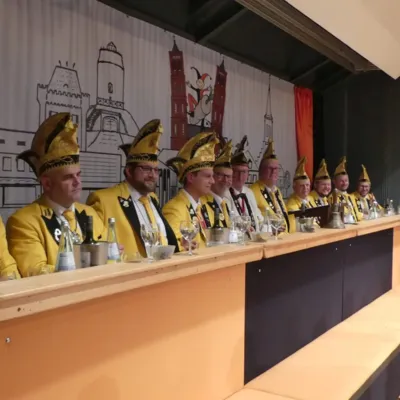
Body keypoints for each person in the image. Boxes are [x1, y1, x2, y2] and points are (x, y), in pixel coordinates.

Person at [7, 113, 105, 277]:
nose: (77, 182)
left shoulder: (90, 213)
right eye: (68, 177)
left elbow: (111, 257)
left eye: (78, 175)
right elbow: (34, 272)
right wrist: (89, 263)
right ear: (47, 183)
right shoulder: (23, 221)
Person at [87, 119, 179, 258]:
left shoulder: (153, 198)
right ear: (129, 171)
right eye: (146, 169)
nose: (152, 175)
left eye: (155, 170)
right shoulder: (102, 200)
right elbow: (94, 249)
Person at [163, 132, 217, 249]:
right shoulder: (174, 209)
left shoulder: (204, 205)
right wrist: (183, 246)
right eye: (207, 176)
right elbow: (174, 247)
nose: (212, 181)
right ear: (191, 177)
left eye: (212, 176)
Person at [250, 138, 290, 232]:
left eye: (276, 169)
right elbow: (255, 221)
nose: (273, 172)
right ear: (261, 170)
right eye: (270, 168)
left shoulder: (276, 190)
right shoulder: (253, 191)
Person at [225, 136, 262, 231]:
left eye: (244, 172)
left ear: (248, 173)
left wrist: (269, 228)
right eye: (237, 171)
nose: (240, 176)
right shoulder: (225, 194)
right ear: (230, 172)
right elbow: (230, 223)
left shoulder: (249, 192)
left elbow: (259, 218)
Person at [202, 140, 233, 228]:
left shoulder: (225, 202)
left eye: (229, 176)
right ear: (212, 176)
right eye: (221, 175)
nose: (225, 180)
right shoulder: (203, 202)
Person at [328, 156, 362, 223]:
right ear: (334, 181)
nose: (344, 183)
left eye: (346, 180)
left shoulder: (352, 197)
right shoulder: (332, 198)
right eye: (341, 181)